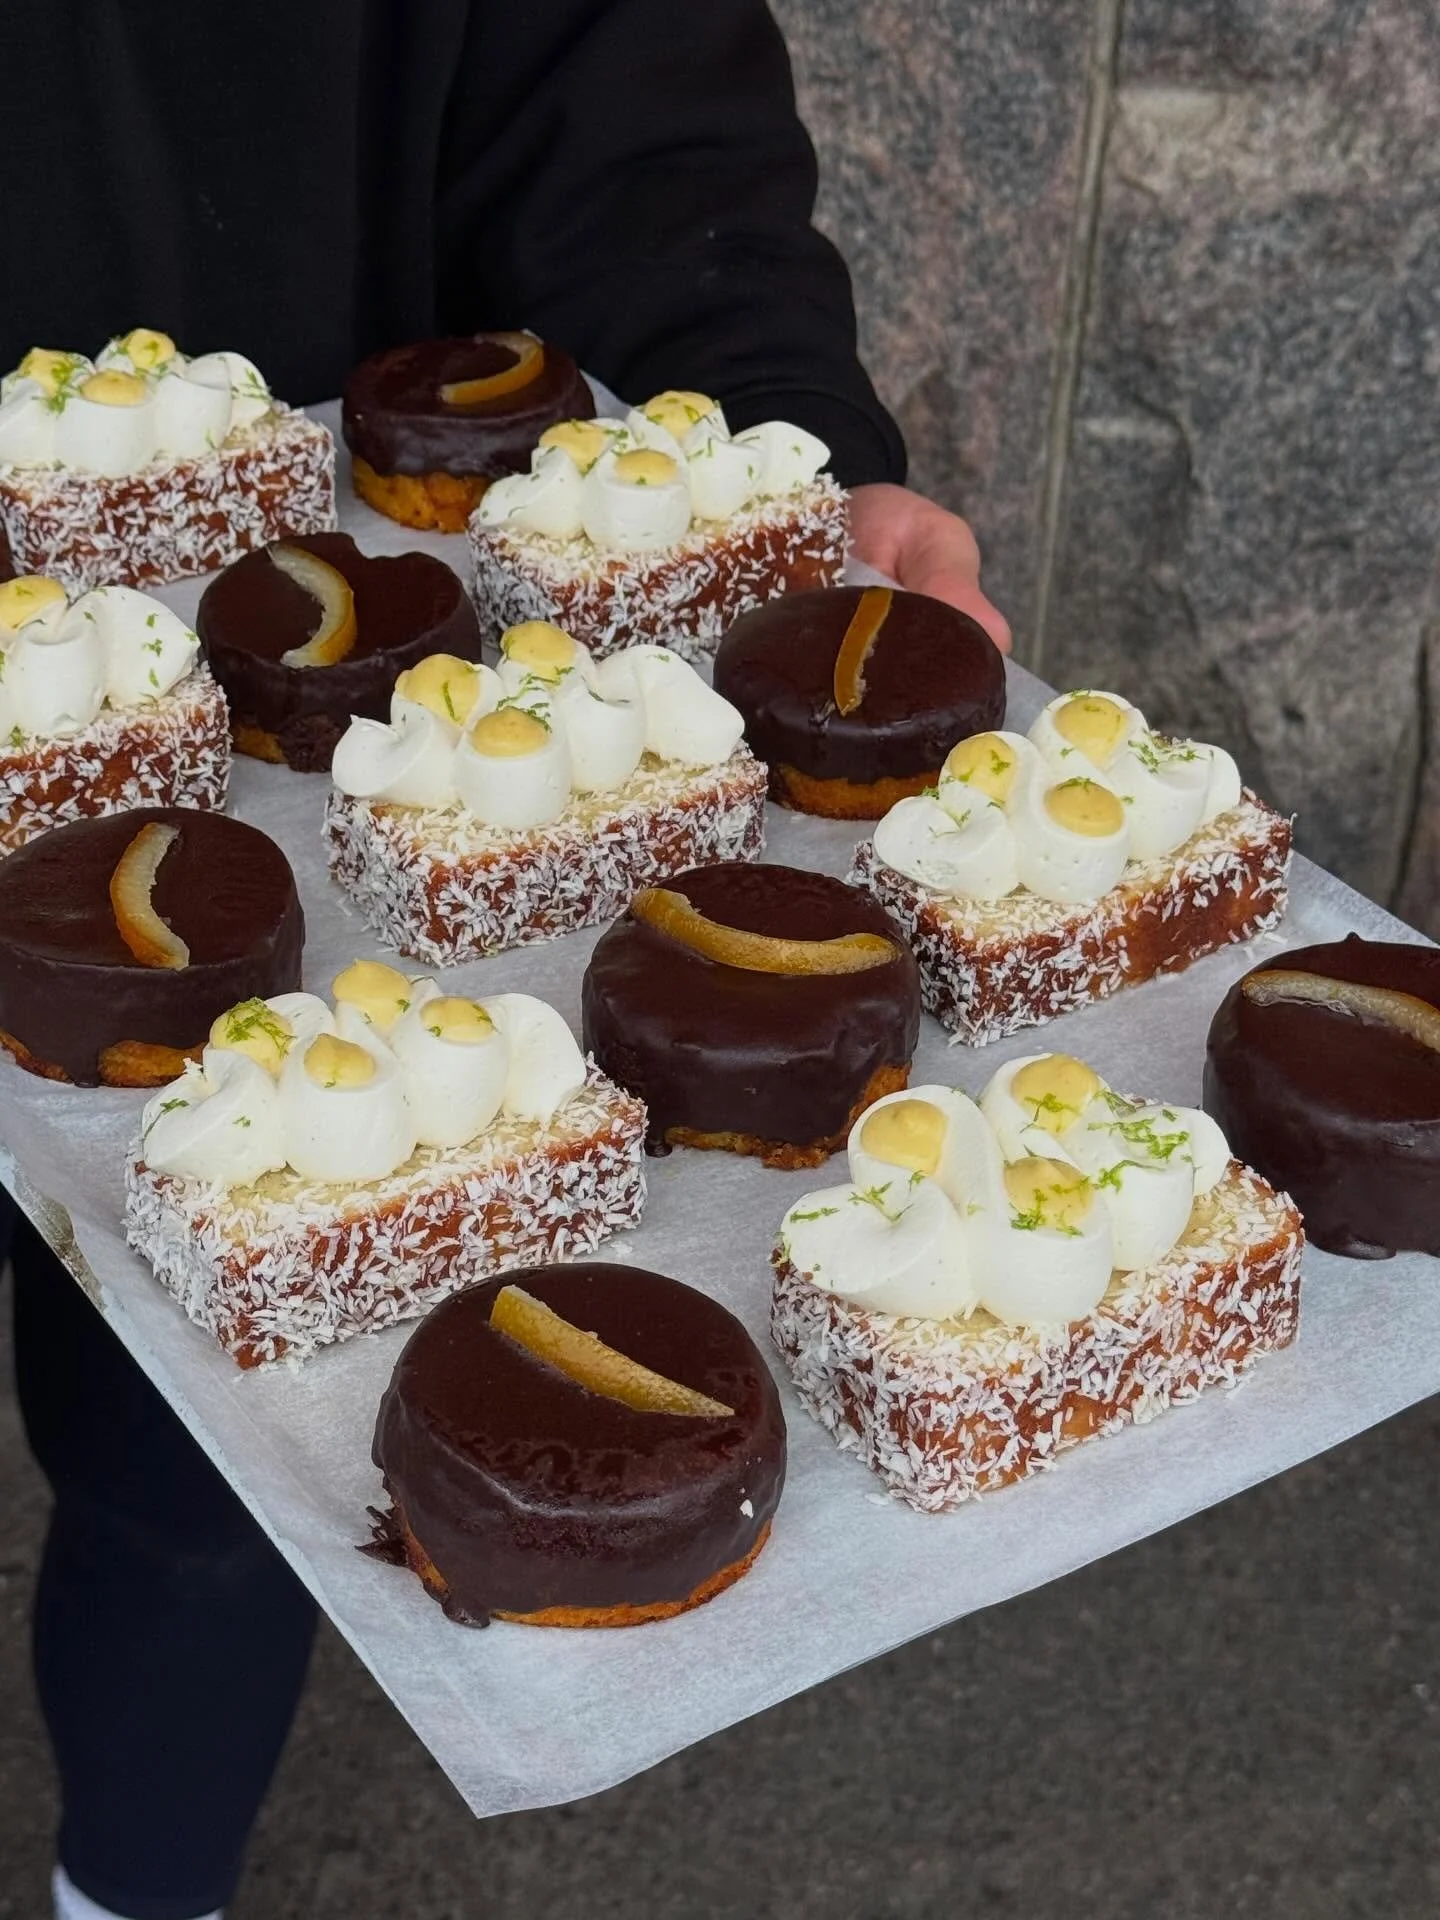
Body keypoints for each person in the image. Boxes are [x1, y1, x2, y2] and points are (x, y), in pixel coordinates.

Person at [1, 5, 1009, 1917]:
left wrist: (765, 423)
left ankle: (134, 1885)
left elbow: (639, 116)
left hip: (310, 735)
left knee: (193, 1481)